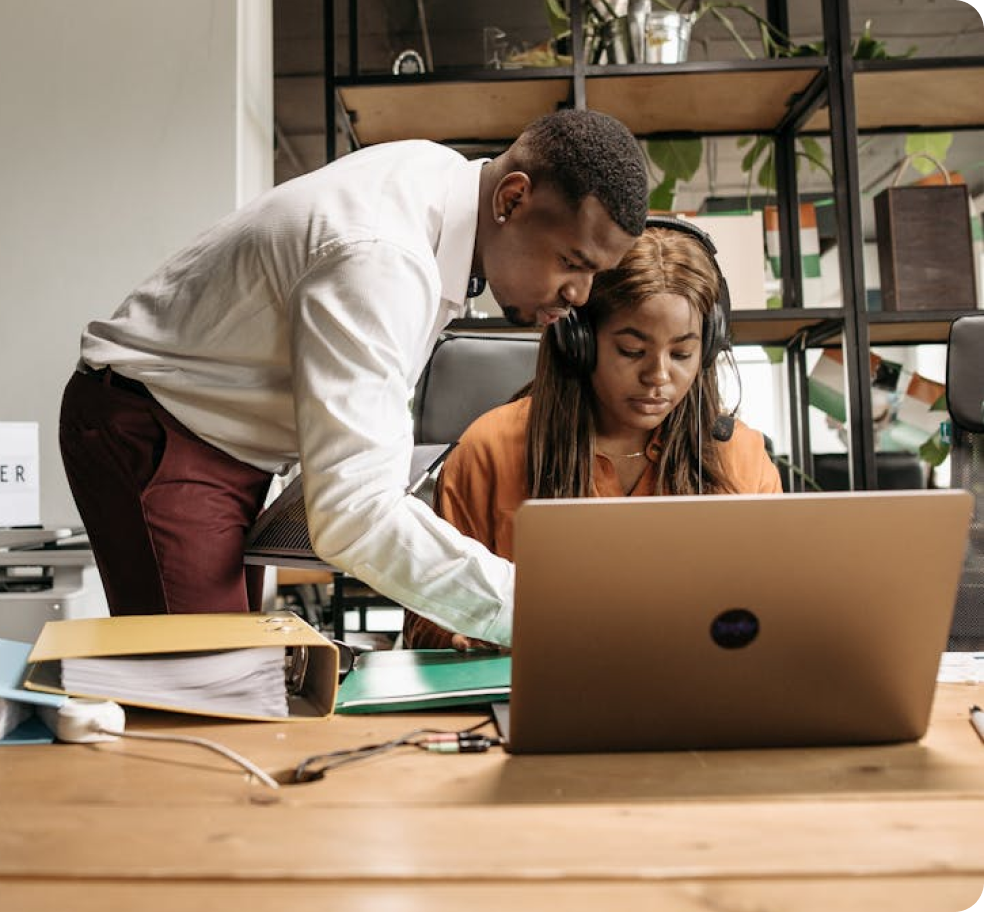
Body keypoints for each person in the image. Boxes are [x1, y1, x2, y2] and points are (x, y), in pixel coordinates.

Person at [58, 108, 649, 648]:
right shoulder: (382, 259)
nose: (578, 296)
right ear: (512, 200)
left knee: (247, 668)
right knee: (209, 684)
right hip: (156, 428)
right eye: (572, 263)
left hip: (225, 437)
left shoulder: (444, 183)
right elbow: (354, 516)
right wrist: (547, 612)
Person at [403, 220, 783, 650]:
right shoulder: (489, 451)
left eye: (681, 353)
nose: (658, 376)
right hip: (532, 701)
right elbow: (424, 626)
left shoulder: (740, 458)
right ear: (578, 341)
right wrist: (472, 635)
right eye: (632, 351)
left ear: (708, 348)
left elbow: (777, 614)